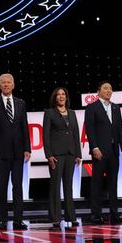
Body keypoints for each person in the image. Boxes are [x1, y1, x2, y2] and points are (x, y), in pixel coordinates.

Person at [0, 73, 31, 230]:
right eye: (3, 83)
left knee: (18, 186)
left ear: (13, 85)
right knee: (2, 186)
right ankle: (3, 219)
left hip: (18, 152)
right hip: (1, 153)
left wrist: (27, 148)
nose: (6, 85)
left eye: (8, 82)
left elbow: (24, 127)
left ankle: (18, 220)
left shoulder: (21, 103)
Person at [83, 81, 122, 225]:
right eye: (105, 88)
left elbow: (119, 129)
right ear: (99, 91)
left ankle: (114, 214)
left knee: (113, 183)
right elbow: (89, 130)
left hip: (114, 151)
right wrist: (94, 148)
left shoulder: (116, 107)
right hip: (99, 152)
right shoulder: (92, 107)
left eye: (110, 88)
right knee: (96, 183)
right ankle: (96, 215)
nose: (109, 91)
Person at [42, 87, 82, 229]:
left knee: (69, 186)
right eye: (58, 94)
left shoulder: (72, 113)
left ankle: (71, 216)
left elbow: (76, 134)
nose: (61, 96)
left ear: (66, 97)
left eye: (63, 94)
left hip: (71, 153)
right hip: (56, 154)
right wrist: (49, 155)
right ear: (55, 97)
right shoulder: (50, 113)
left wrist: (78, 154)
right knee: (55, 186)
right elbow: (45, 135)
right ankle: (55, 217)